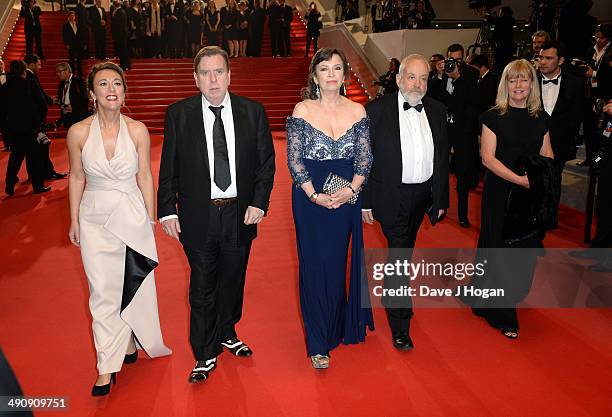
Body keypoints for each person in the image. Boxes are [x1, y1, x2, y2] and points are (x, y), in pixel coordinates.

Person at [157, 46, 275, 384]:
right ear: (195, 78)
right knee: (202, 285)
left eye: (219, 72)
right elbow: (169, 166)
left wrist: (259, 202)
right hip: (198, 215)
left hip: (241, 213)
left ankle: (227, 330)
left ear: (229, 74)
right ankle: (205, 352)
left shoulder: (252, 112)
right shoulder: (179, 114)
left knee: (233, 279)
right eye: (206, 73)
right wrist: (167, 210)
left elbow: (266, 165)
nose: (213, 79)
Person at [67, 61, 171, 397]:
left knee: (133, 283)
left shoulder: (137, 130)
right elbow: (77, 177)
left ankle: (128, 342)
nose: (111, 89)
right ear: (92, 93)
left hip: (131, 214)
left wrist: (151, 219)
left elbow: (144, 176)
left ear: (124, 92)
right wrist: (73, 220)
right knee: (102, 291)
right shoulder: (78, 132)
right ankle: (106, 366)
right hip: (94, 218)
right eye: (103, 84)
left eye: (117, 83)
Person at [286, 48, 374, 369]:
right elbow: (294, 159)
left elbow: (365, 159)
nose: (332, 74)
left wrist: (350, 190)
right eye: (325, 69)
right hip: (310, 197)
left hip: (347, 195)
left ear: (345, 75)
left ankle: (336, 326)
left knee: (337, 263)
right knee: (313, 265)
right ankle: (318, 342)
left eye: (337, 68)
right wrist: (314, 195)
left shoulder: (358, 112)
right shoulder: (303, 109)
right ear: (315, 75)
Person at [363, 54, 449, 350]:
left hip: (422, 197)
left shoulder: (437, 111)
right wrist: (365, 202)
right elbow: (364, 160)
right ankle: (400, 322)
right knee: (400, 256)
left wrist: (440, 197)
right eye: (411, 77)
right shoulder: (375, 111)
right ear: (399, 79)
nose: (418, 83)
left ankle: (393, 296)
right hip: (390, 195)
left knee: (403, 251)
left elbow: (441, 158)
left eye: (423, 78)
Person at [473, 59, 554, 339]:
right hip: (501, 193)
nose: (518, 85)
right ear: (505, 85)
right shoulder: (493, 116)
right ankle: (502, 313)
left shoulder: (541, 118)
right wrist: (520, 180)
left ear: (532, 84)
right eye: (512, 80)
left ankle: (492, 296)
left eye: (524, 80)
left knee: (526, 251)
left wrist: (542, 181)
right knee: (499, 249)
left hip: (529, 196)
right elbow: (488, 158)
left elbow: (548, 153)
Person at [537, 40, 584, 199]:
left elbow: (576, 116)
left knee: (554, 181)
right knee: (532, 180)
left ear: (561, 60)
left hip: (560, 143)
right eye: (540, 57)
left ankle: (550, 217)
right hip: (532, 141)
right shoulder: (529, 81)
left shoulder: (575, 84)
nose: (542, 62)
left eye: (548, 58)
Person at [2, 60, 49, 195]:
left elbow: (2, 110)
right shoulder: (31, 84)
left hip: (14, 128)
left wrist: (6, 128)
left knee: (15, 156)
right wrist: (39, 123)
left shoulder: (4, 87)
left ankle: (10, 184)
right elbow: (42, 105)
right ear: (24, 71)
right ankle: (37, 186)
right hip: (31, 127)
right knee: (35, 157)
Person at [24, 54, 67, 181]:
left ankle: (36, 174)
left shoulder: (27, 76)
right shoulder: (30, 77)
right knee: (41, 147)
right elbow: (39, 96)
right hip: (36, 120)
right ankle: (46, 173)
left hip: (31, 119)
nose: (40, 67)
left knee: (34, 149)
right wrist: (50, 101)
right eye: (38, 64)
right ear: (31, 65)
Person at [54, 62, 90, 129]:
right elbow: (61, 98)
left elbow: (85, 98)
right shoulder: (61, 84)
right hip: (67, 117)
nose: (57, 74)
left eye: (59, 72)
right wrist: (59, 101)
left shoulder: (79, 81)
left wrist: (73, 107)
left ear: (67, 70)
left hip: (79, 117)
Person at [62, 12, 86, 77]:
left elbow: (82, 34)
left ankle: (79, 73)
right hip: (71, 44)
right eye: (71, 16)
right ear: (68, 17)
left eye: (73, 16)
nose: (72, 17)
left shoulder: (78, 24)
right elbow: (64, 35)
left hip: (79, 44)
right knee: (71, 59)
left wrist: (83, 43)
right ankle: (72, 73)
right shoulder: (66, 25)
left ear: (75, 17)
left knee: (79, 59)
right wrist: (66, 44)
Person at [111, 0, 131, 70]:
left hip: (121, 35)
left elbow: (119, 25)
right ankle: (125, 65)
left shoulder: (120, 12)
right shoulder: (121, 11)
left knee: (123, 51)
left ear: (114, 5)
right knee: (123, 51)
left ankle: (125, 65)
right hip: (122, 35)